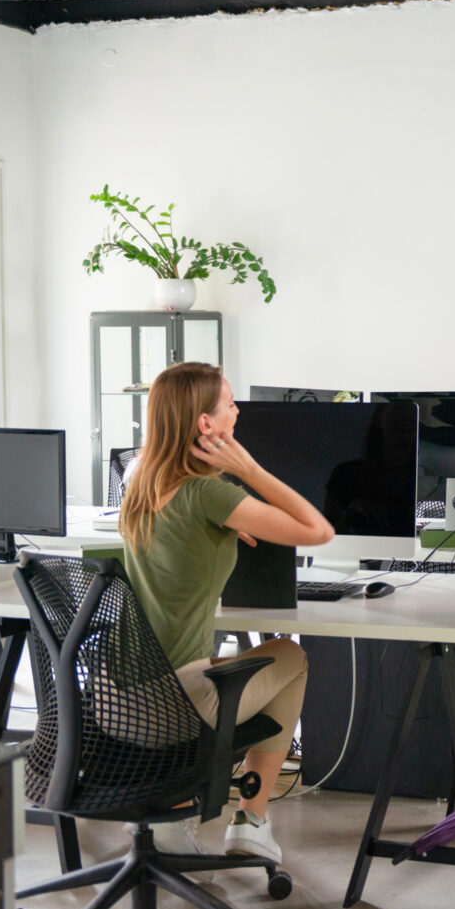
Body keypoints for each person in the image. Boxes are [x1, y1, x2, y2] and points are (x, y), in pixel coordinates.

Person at [119, 361, 335, 863]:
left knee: (244, 661)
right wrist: (249, 472)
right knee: (291, 658)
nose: (237, 413)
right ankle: (252, 818)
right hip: (173, 703)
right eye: (230, 405)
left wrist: (216, 529)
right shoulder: (210, 494)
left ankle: (180, 811)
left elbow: (179, 530)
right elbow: (319, 531)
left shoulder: (140, 483)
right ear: (205, 425)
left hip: (116, 701)